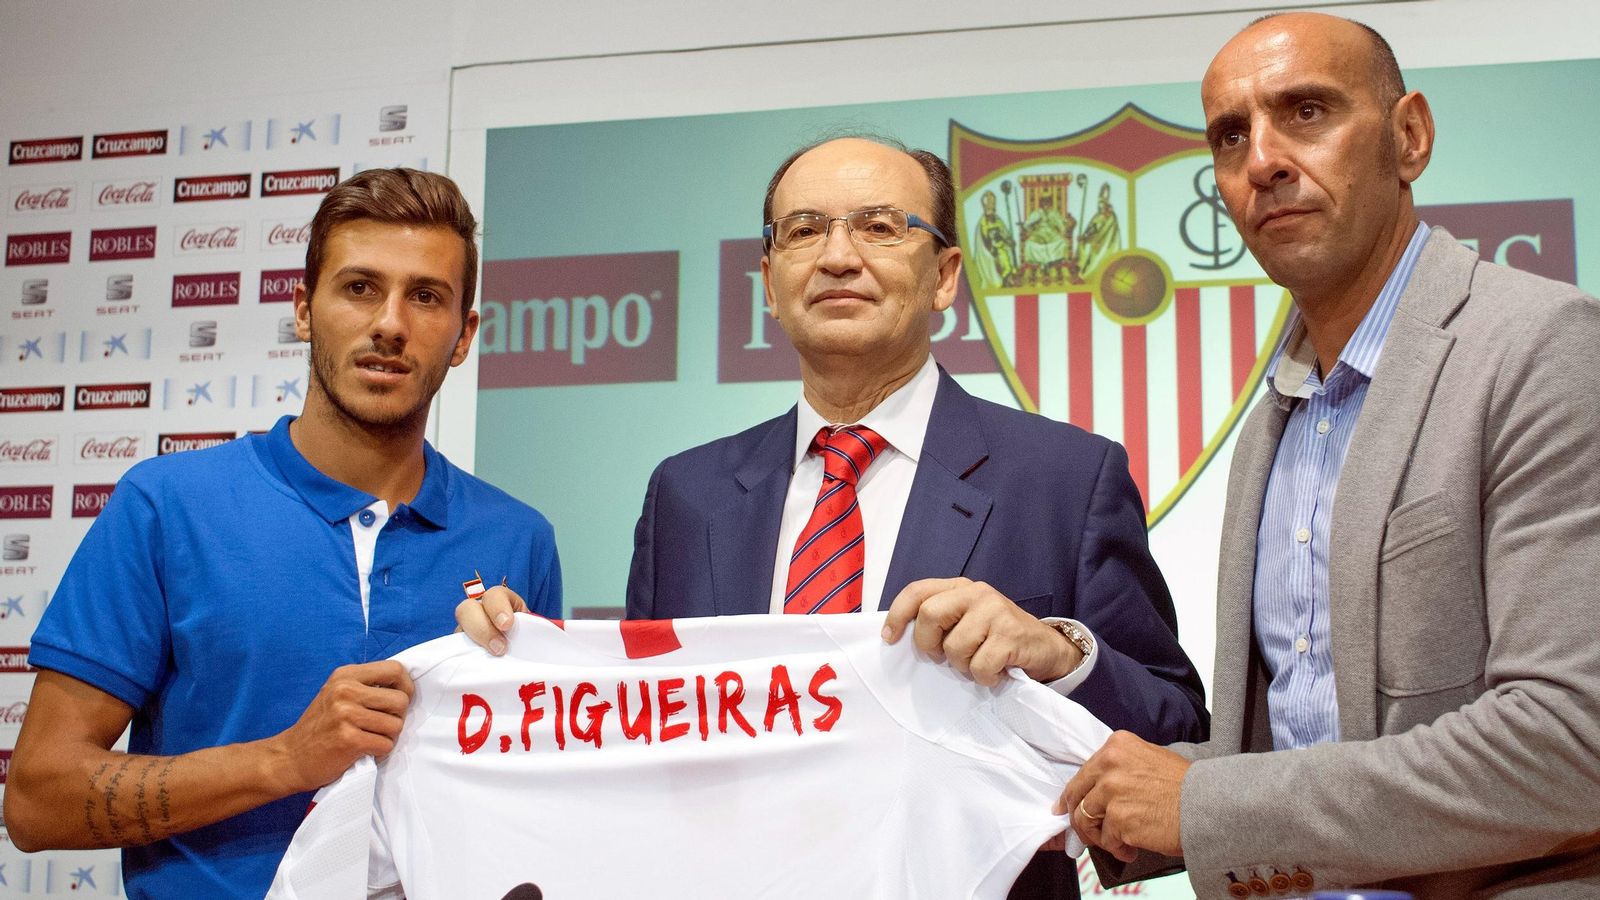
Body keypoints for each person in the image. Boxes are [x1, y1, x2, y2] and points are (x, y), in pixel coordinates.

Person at [463, 136, 1206, 899]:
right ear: (769, 280)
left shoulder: (1065, 478)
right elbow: (641, 744)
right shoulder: (687, 495)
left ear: (944, 276)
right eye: (804, 230)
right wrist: (523, 670)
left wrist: (1060, 654)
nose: (838, 256)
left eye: (881, 227)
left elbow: (1178, 736)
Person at [1061, 13, 1600, 898]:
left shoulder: (1544, 346)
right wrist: (1066, 781)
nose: (1262, 160)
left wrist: (1203, 806)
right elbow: (1300, 750)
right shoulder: (1281, 406)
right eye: (1230, 136)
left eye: (1306, 111)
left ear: (1410, 137)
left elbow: (1572, 742)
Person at [4, 168, 563, 900]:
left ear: (464, 336)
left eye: (426, 297)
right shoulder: (168, 506)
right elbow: (38, 800)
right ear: (303, 310)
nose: (390, 323)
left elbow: (539, 809)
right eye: (360, 287)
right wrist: (285, 759)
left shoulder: (518, 538)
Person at [973, 188, 1019, 288]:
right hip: (991, 251)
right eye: (989, 213)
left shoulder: (998, 220)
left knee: (1007, 261)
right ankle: (1002, 282)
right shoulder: (983, 223)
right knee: (1003, 264)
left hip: (1002, 247)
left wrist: (1009, 241)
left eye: (993, 211)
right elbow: (984, 240)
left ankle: (1007, 281)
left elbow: (1004, 234)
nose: (991, 215)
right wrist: (992, 249)